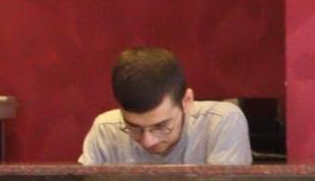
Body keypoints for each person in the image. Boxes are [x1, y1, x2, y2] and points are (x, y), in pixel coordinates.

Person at [79, 47, 252, 165]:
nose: (148, 141)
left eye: (161, 126)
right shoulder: (105, 129)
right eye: (134, 127)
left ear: (187, 101)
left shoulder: (222, 122)